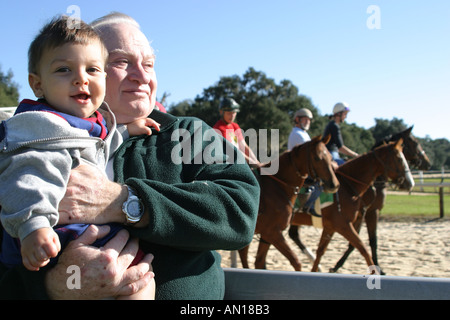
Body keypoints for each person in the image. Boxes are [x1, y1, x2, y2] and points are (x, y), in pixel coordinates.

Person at [0, 12, 259, 300]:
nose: (142, 75)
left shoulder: (188, 133)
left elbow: (239, 211)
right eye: (121, 62)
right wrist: (57, 286)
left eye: (149, 64)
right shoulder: (37, 140)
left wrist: (124, 201)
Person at [0, 16, 158, 299]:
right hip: (52, 236)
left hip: (85, 235)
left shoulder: (87, 123)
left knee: (140, 281)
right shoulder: (39, 127)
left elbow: (95, 149)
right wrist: (32, 225)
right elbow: (27, 176)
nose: (81, 78)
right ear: (37, 85)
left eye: (92, 69)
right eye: (63, 69)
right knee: (137, 283)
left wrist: (123, 131)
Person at [213, 97, 261, 167]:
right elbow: (234, 151)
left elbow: (244, 146)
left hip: (239, 161)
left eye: (234, 113)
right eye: (229, 113)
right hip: (227, 165)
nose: (232, 116)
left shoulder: (235, 126)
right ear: (221, 112)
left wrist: (257, 162)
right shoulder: (218, 129)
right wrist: (255, 164)